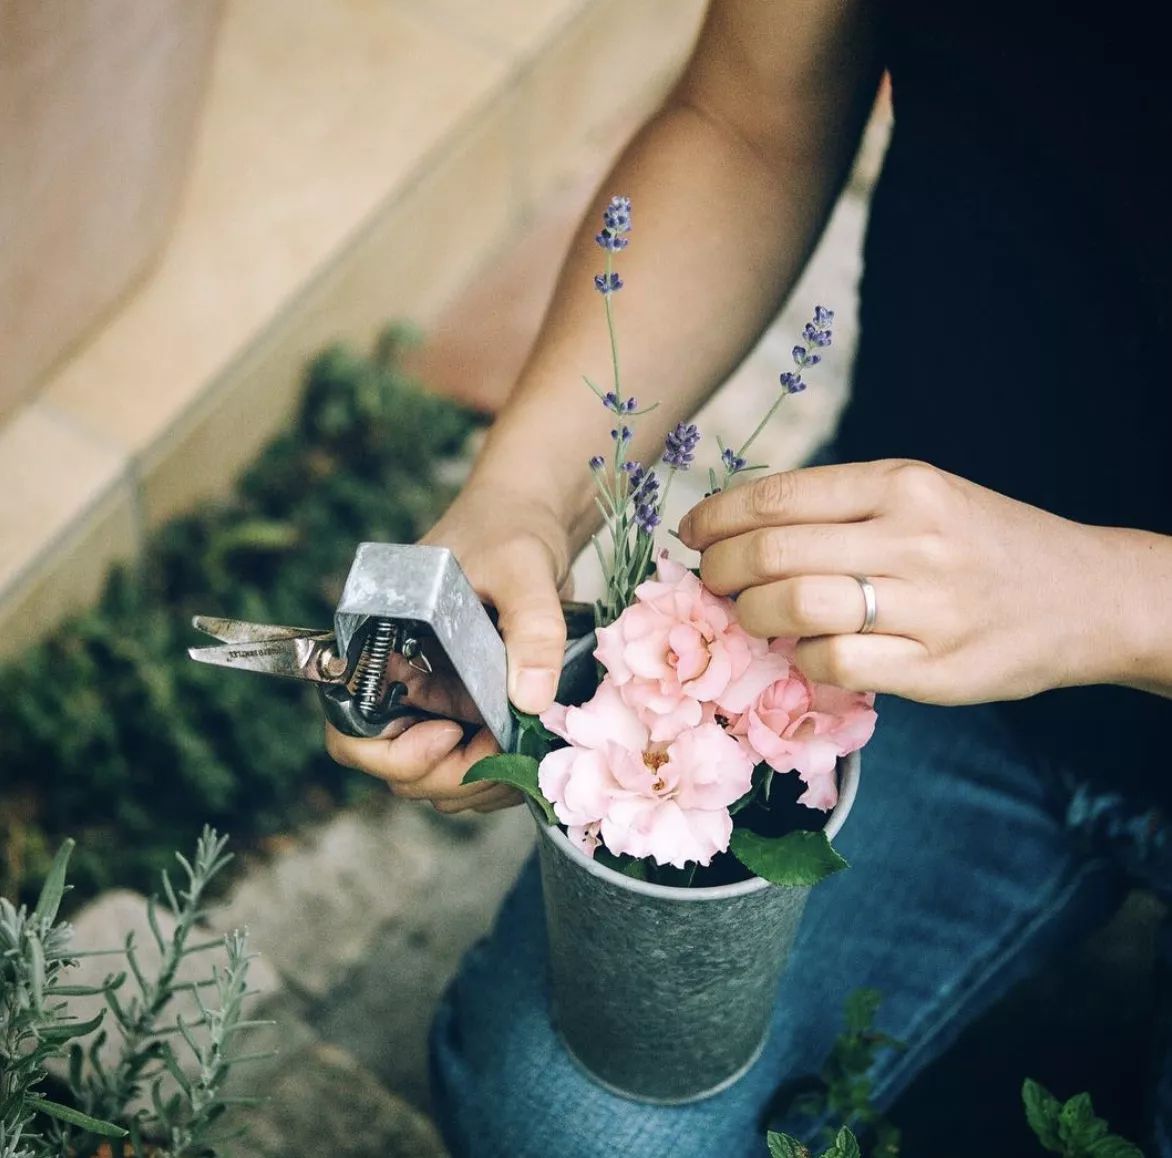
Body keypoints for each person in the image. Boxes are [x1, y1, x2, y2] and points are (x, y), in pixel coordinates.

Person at [324, 1, 1172, 1153]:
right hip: (880, 630)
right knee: (575, 1123)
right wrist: (525, 491)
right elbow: (744, 121)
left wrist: (1112, 603)